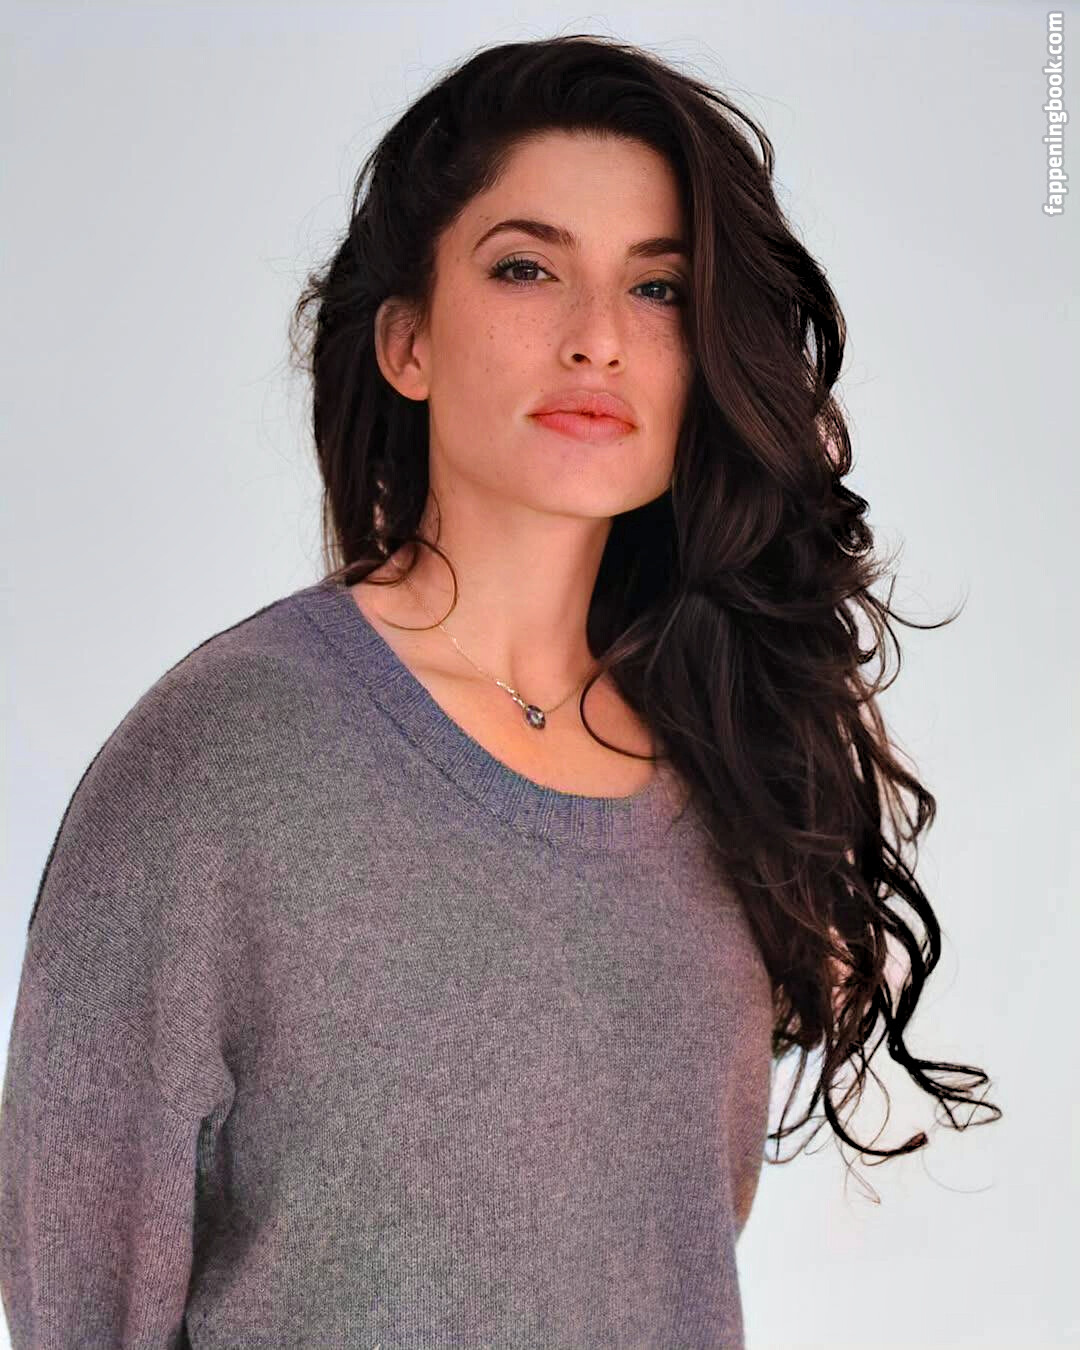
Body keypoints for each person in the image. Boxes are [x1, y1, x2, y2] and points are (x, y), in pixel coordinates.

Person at [0, 33, 1000, 1349]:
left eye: (658, 289)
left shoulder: (725, 771)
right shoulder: (226, 756)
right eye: (527, 268)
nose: (598, 340)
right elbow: (79, 1300)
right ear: (406, 341)